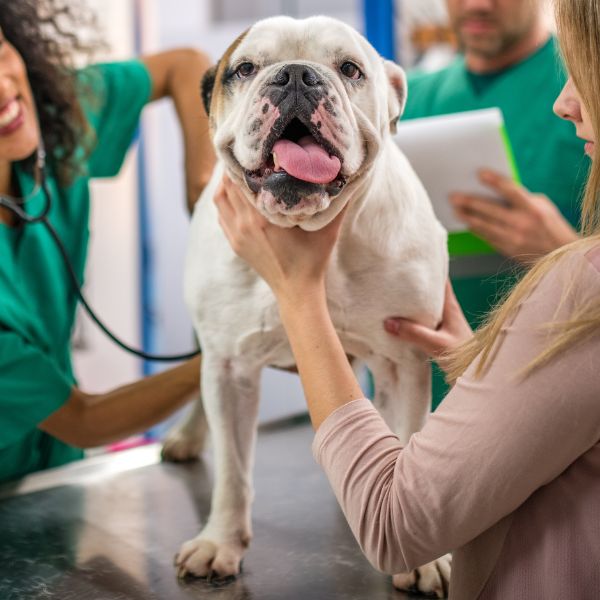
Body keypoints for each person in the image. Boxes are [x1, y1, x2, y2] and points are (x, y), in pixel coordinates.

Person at [213, 0, 600, 596]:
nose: (564, 103)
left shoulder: (583, 277)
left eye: (584, 77)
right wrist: (475, 357)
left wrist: (563, 256)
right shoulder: (421, 89)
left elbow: (397, 529)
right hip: (464, 402)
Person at [0, 0, 215, 483]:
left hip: (56, 478)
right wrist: (230, 355)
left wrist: (204, 189)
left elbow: (184, 66)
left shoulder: (53, 119)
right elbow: (82, 419)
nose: (2, 88)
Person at [402, 0, 589, 409]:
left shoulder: (585, 96)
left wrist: (559, 254)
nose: (477, 4)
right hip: (413, 396)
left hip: (546, 405)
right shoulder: (406, 99)